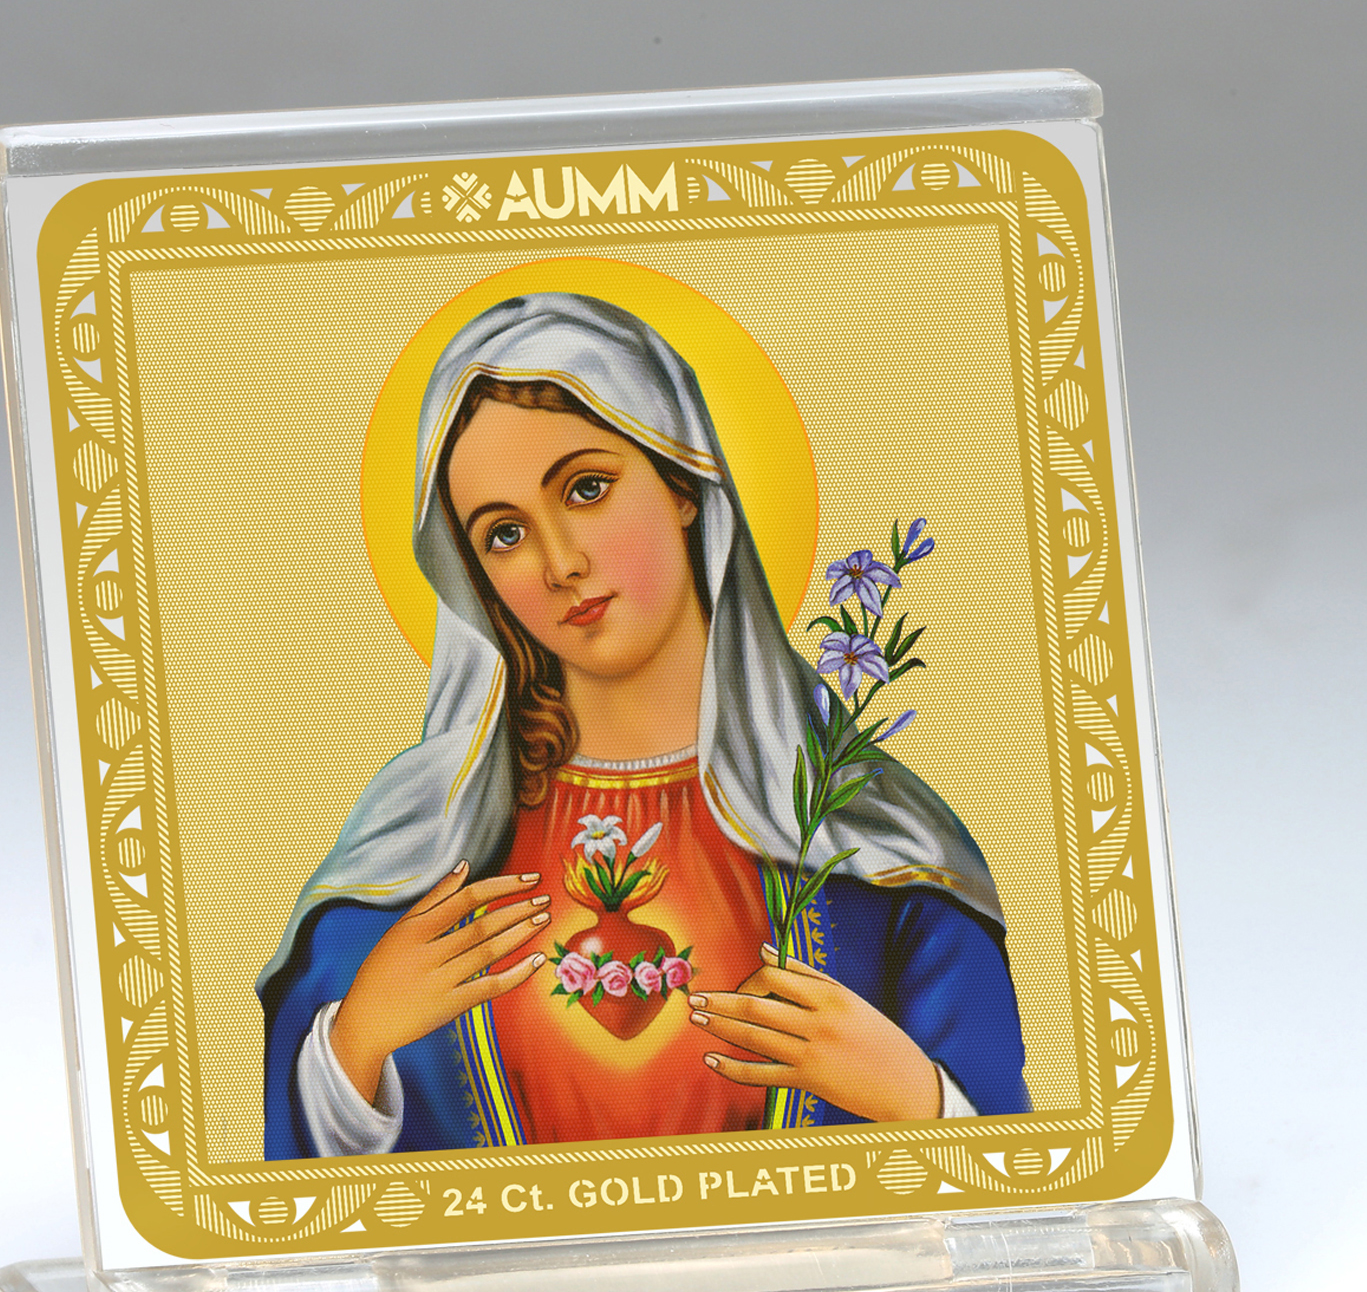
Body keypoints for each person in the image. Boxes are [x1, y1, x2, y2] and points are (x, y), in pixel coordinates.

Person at [260, 293, 1028, 1158]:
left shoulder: (864, 831)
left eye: (586, 489)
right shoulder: (422, 841)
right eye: (504, 534)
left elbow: (1022, 1179)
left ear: (681, 481)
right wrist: (355, 1042)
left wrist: (916, 1098)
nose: (560, 563)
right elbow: (300, 1203)